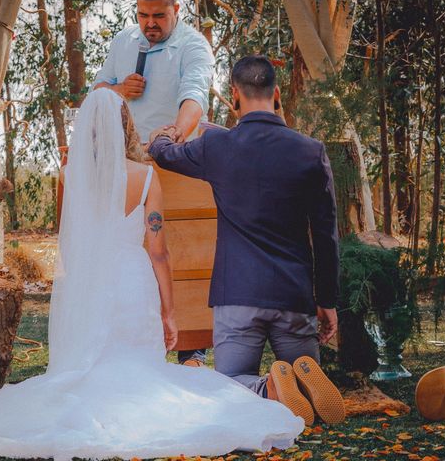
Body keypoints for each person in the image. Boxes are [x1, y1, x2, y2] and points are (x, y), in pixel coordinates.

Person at [0, 89, 304, 460]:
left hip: (91, 285)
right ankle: (267, 390)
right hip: (132, 283)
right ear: (125, 127)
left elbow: (72, 245)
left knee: (88, 373)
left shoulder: (71, 176)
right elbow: (158, 252)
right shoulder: (145, 178)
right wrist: (170, 313)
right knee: (144, 371)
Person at [148, 55, 346, 425]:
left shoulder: (217, 147)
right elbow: (326, 234)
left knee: (228, 390)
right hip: (294, 297)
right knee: (305, 394)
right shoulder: (310, 151)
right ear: (276, 94)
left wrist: (164, 135)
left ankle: (263, 388)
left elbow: (164, 155)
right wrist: (327, 300)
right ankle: (295, 382)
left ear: (234, 95)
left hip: (237, 297)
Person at [94, 0, 214, 366]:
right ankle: (136, 343)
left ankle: (192, 348)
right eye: (143, 16)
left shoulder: (194, 45)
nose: (150, 24)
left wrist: (175, 134)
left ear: (176, 10)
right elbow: (97, 92)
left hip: (178, 162)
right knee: (137, 253)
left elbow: (195, 95)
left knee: (178, 250)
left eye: (159, 16)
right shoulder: (123, 42)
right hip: (130, 164)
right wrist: (117, 87)